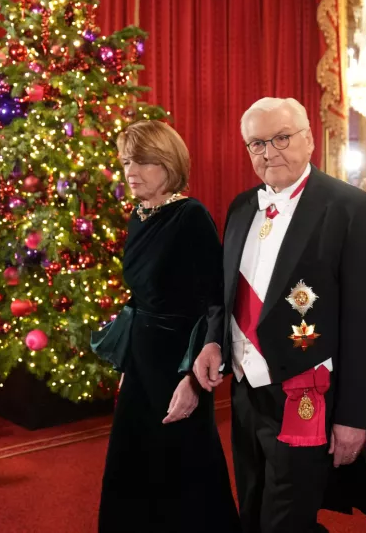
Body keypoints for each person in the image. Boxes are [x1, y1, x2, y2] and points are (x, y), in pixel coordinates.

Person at [190, 97, 366, 533]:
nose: (269, 151)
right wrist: (213, 342)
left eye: (282, 138)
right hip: (245, 394)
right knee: (254, 508)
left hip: (306, 394)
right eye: (257, 143)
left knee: (287, 520)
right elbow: (227, 296)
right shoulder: (242, 207)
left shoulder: (352, 209)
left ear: (310, 140)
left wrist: (354, 418)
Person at [98, 120, 240, 532]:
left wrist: (194, 381)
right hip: (141, 364)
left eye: (141, 161)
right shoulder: (138, 215)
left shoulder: (190, 216)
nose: (130, 171)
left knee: (186, 473)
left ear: (168, 162)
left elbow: (214, 303)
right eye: (126, 161)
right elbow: (138, 299)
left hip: (181, 364)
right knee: (132, 466)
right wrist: (127, 364)